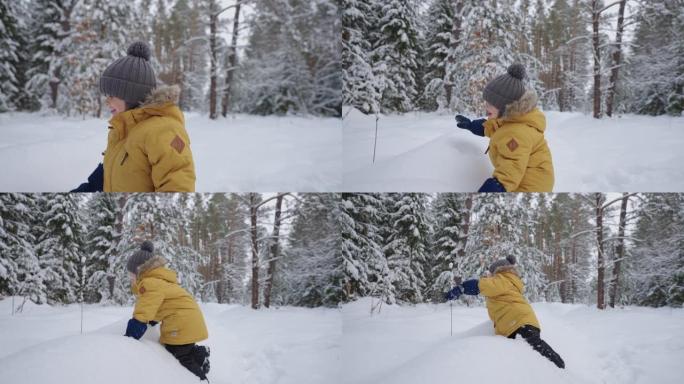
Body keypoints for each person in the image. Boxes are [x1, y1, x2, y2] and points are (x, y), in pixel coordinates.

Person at [71, 41, 195, 192]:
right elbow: (108, 175)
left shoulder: (164, 131)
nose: (107, 101)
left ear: (130, 95)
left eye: (112, 96)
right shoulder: (122, 130)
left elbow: (177, 187)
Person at [445, 255, 565, 369]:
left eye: (491, 274)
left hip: (517, 322)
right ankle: (554, 368)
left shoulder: (502, 279)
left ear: (498, 271)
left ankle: (559, 367)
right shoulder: (511, 281)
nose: (490, 276)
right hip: (523, 320)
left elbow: (479, 285)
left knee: (535, 348)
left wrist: (461, 288)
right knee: (533, 350)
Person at [455, 64, 554, 192]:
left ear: (505, 107)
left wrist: (498, 185)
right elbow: (499, 128)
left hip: (530, 186)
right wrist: (473, 125)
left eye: (490, 104)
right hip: (525, 177)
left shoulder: (517, 133)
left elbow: (512, 163)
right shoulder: (514, 121)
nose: (486, 107)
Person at [124, 241, 210, 380]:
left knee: (180, 356)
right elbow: (164, 305)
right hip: (186, 319)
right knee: (180, 349)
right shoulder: (159, 281)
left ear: (140, 271)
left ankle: (199, 379)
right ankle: (200, 355)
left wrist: (131, 334)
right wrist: (153, 320)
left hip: (182, 323)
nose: (130, 278)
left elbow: (144, 310)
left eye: (131, 275)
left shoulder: (150, 283)